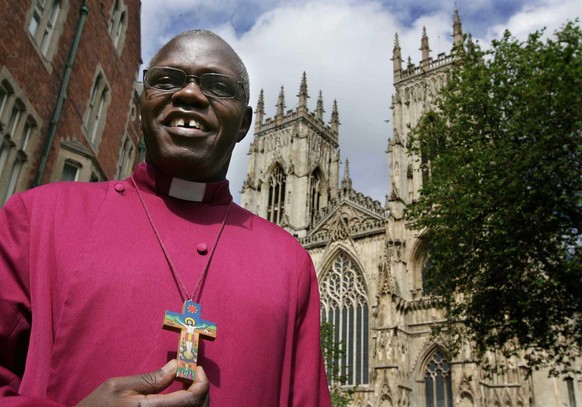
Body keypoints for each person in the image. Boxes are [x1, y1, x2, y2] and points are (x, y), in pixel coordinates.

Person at [0, 30, 331, 406]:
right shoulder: (38, 217)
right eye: (167, 80)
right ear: (141, 105)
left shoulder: (290, 263)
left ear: (244, 123)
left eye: (218, 86)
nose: (189, 94)